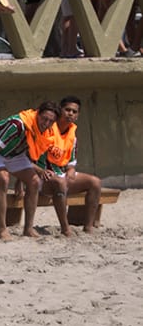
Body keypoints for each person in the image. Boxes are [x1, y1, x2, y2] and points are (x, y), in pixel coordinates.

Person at [0, 102, 60, 240]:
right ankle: (2, 229)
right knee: (3, 178)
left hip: (14, 153)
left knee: (34, 181)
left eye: (51, 121)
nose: (46, 123)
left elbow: (30, 153)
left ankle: (28, 228)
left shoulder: (48, 132)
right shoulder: (18, 125)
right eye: (44, 118)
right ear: (37, 113)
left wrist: (20, 181)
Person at [40, 96, 103, 233]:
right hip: (43, 177)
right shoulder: (48, 128)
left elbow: (71, 162)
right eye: (67, 110)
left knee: (95, 182)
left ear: (77, 115)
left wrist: (71, 170)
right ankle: (65, 228)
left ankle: (88, 227)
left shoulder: (72, 136)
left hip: (62, 174)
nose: (70, 113)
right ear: (60, 111)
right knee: (60, 183)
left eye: (74, 112)